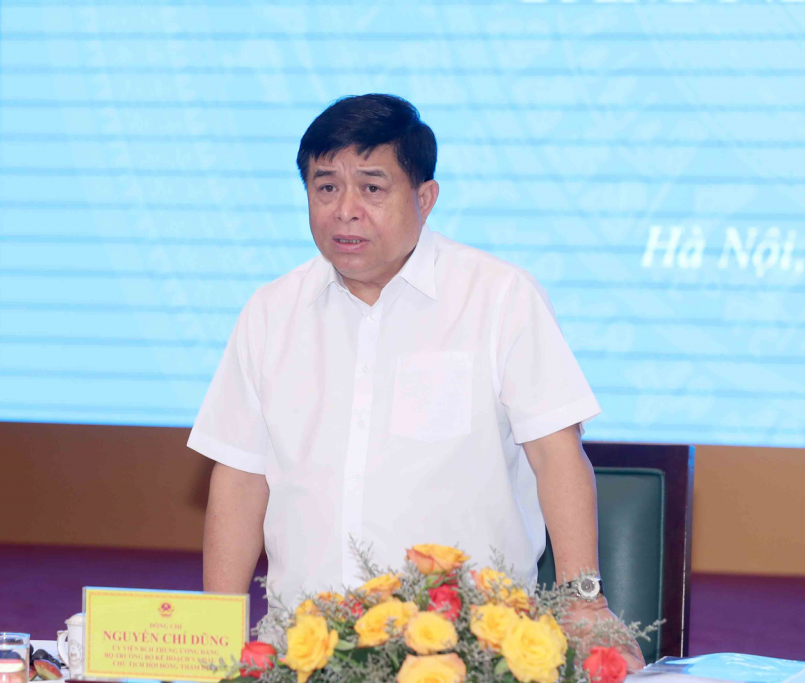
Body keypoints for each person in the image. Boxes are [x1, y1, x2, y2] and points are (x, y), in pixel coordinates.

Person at [187, 94, 645, 668]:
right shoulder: (270, 312)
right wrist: (217, 637)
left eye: (371, 188)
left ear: (424, 199)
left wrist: (584, 601)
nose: (345, 210)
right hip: (303, 653)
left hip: (467, 653)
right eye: (326, 187)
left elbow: (557, 456)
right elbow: (239, 478)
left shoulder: (499, 298)